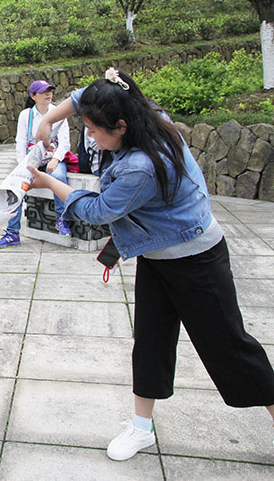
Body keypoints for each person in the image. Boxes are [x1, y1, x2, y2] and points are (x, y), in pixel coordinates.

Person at [29, 68, 274, 461]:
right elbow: (83, 97)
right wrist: (47, 118)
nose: (89, 136)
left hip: (197, 261)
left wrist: (51, 184)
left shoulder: (140, 166)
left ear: (121, 127)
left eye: (93, 129)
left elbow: (98, 210)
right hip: (158, 257)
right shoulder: (147, 116)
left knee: (230, 349)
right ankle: (142, 428)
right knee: (150, 342)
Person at [0, 80, 71, 248]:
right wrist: (24, 166)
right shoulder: (26, 115)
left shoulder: (59, 113)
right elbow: (20, 142)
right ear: (33, 96)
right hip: (32, 160)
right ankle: (12, 233)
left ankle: (62, 219)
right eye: (44, 92)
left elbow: (65, 142)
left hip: (52, 158)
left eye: (50, 91)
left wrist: (56, 159)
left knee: (58, 177)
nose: (48, 94)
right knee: (15, 186)